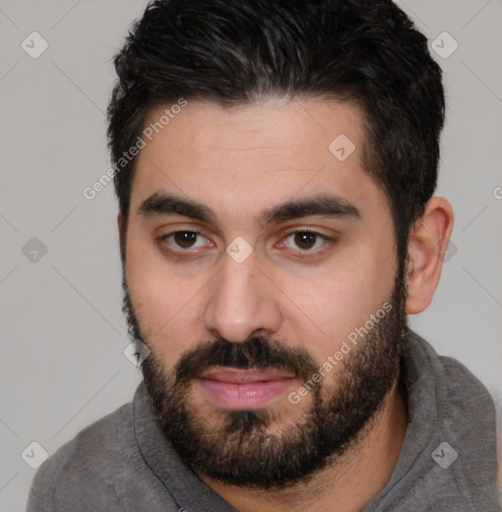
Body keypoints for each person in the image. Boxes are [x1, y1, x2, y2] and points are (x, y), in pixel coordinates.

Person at [26, 0, 500, 510]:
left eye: (304, 239)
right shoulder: (74, 495)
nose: (234, 318)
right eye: (185, 238)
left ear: (419, 260)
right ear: (126, 249)